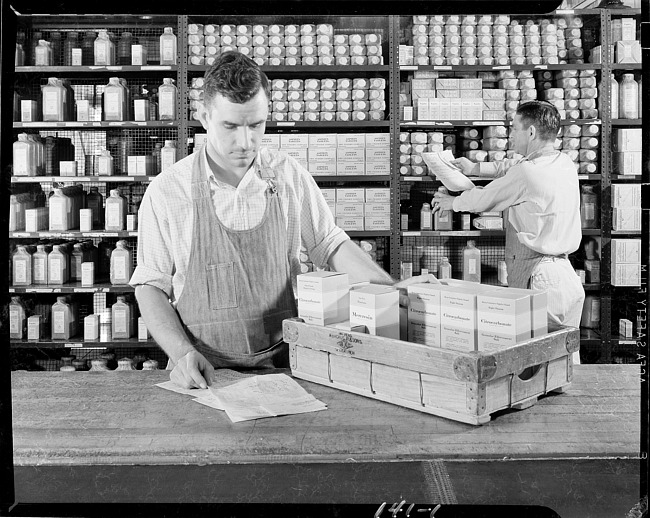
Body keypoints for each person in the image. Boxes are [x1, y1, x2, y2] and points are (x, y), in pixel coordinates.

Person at [131, 51, 430, 389]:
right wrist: (182, 353)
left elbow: (329, 244)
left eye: (255, 125)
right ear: (203, 116)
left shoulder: (287, 176)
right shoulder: (168, 191)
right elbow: (150, 286)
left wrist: (390, 292)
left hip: (286, 364)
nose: (245, 142)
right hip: (202, 373)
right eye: (230, 126)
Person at [432, 100, 585, 364]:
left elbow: (486, 198)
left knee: (538, 366)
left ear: (532, 133)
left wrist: (453, 202)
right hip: (566, 280)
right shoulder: (564, 163)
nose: (511, 135)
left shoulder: (527, 173)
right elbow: (514, 168)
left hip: (541, 279)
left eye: (514, 128)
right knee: (565, 365)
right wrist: (476, 168)